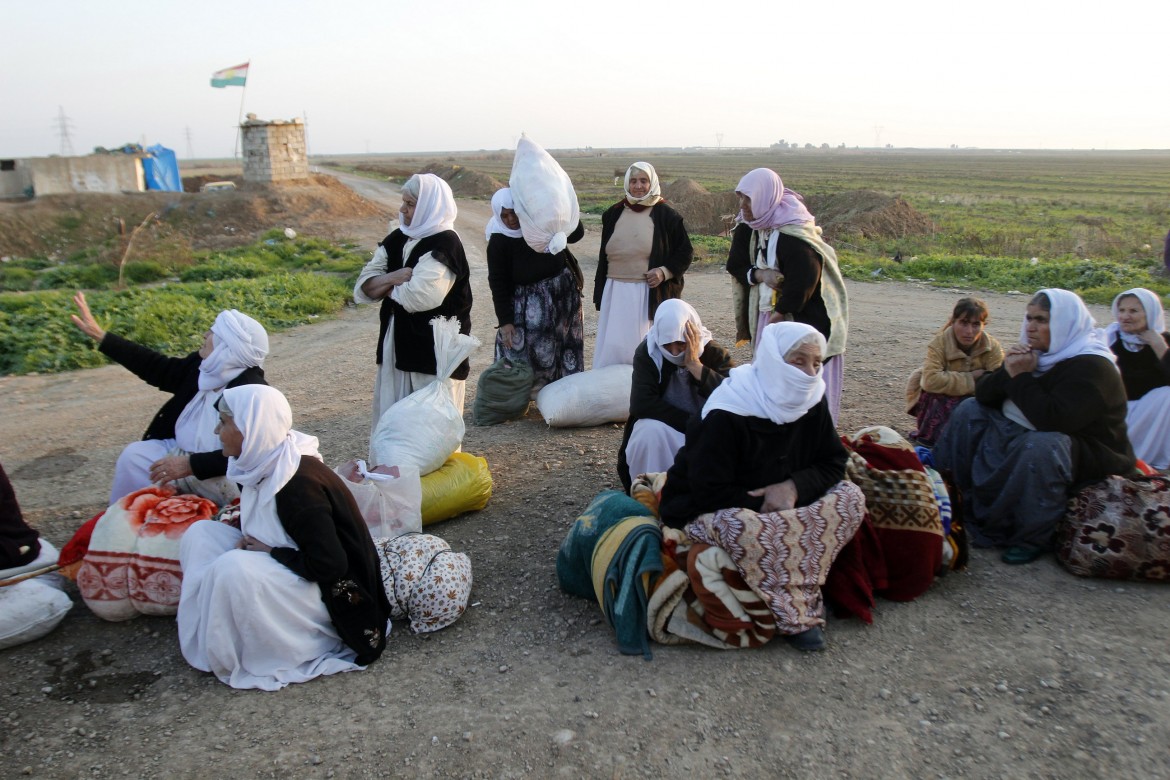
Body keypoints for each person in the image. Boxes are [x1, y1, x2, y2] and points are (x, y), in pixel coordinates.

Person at [177, 385, 390, 691]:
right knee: (201, 535)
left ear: (250, 429)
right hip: (294, 565)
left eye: (224, 422)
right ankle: (210, 635)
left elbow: (330, 565)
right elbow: (271, 524)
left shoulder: (297, 486)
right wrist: (260, 544)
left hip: (331, 593)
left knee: (233, 568)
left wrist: (268, 550)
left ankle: (270, 648)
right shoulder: (259, 464)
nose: (216, 430)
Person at [659, 322, 856, 650]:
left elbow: (833, 461)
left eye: (817, 363)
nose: (809, 372)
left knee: (850, 498)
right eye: (798, 361)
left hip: (789, 505)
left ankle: (799, 574)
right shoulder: (729, 409)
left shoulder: (812, 399)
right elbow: (709, 490)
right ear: (774, 360)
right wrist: (767, 506)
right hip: (723, 508)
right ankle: (795, 613)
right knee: (748, 529)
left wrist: (793, 487)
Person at [934, 289, 1137, 565]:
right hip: (1028, 432)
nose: (1031, 327)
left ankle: (1030, 536)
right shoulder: (1036, 355)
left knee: (1042, 445)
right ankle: (956, 501)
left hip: (1085, 452)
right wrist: (1008, 369)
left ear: (1064, 324)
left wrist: (1020, 377)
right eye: (1029, 318)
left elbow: (1054, 421)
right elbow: (984, 395)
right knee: (969, 411)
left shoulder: (1093, 366)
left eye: (1041, 320)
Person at [71, 292, 268, 505]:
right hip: (183, 452)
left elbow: (253, 452)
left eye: (212, 332)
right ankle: (128, 518)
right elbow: (159, 368)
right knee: (135, 457)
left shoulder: (251, 390)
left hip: (221, 470)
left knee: (223, 500)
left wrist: (191, 464)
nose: (204, 334)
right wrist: (103, 338)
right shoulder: (203, 368)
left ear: (227, 344)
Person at [353, 173, 473, 442]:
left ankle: (435, 480)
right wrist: (395, 277)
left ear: (430, 206)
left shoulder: (446, 243)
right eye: (403, 202)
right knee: (395, 420)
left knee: (431, 425)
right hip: (396, 344)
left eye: (410, 204)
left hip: (433, 350)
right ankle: (396, 473)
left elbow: (419, 298)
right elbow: (363, 289)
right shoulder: (398, 238)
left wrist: (383, 285)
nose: (403, 210)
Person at [726, 168, 849, 422]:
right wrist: (761, 275)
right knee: (773, 372)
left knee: (802, 367)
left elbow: (806, 278)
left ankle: (812, 431)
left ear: (764, 197)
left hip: (800, 316)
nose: (744, 206)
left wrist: (780, 314)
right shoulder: (748, 227)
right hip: (766, 313)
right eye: (741, 199)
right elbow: (735, 264)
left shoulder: (793, 229)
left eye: (748, 199)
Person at [616, 299, 732, 491]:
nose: (675, 351)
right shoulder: (648, 353)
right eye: (668, 345)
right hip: (674, 429)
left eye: (681, 344)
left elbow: (734, 395)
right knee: (647, 431)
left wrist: (695, 366)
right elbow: (642, 404)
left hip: (707, 432)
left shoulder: (713, 353)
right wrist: (692, 424)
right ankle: (650, 493)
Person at [593, 162, 693, 368]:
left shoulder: (667, 216)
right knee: (613, 343)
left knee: (640, 344)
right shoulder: (613, 213)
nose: (638, 186)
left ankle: (642, 387)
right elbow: (604, 255)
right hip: (615, 290)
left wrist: (664, 272)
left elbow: (685, 252)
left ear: (652, 182)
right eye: (633, 181)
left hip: (646, 292)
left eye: (643, 181)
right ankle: (613, 389)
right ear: (627, 184)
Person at [486, 186, 585, 392]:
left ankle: (564, 391)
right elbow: (497, 281)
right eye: (504, 215)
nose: (511, 220)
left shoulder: (541, 223)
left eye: (514, 213)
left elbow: (577, 233)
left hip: (562, 296)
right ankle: (529, 393)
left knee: (565, 343)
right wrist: (505, 321)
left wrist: (557, 209)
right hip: (528, 304)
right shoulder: (499, 240)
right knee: (526, 350)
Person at [905, 297, 1004, 446]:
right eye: (963, 323)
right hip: (943, 399)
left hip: (974, 401)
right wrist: (972, 378)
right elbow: (931, 381)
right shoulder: (940, 343)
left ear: (984, 325)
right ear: (953, 321)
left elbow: (998, 385)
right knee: (935, 397)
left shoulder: (991, 348)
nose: (969, 331)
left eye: (976, 324)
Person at [1106, 288, 1170, 470]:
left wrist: (1159, 346)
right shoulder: (1108, 339)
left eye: (1133, 311)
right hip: (1115, 412)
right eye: (1122, 310)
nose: (1125, 316)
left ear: (1150, 313)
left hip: (1153, 415)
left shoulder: (1163, 341)